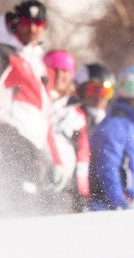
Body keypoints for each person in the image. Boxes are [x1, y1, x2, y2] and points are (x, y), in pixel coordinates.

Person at [0, 0, 66, 216]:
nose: (32, 28)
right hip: (7, 136)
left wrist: (56, 161)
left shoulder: (36, 64)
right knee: (17, 204)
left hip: (32, 147)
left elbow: (44, 120)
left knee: (44, 208)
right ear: (14, 22)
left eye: (38, 23)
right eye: (26, 21)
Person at [87, 64, 134, 211]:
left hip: (122, 206)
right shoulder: (117, 126)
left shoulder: (126, 125)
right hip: (108, 209)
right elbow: (107, 166)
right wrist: (118, 202)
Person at [44, 49, 90, 212]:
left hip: (64, 186)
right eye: (54, 70)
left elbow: (82, 154)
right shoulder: (37, 99)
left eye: (65, 71)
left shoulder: (76, 113)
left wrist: (82, 190)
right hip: (37, 174)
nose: (59, 75)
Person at [74, 62, 116, 135]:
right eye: (94, 90)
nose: (99, 97)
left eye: (106, 92)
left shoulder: (112, 125)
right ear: (80, 91)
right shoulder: (71, 120)